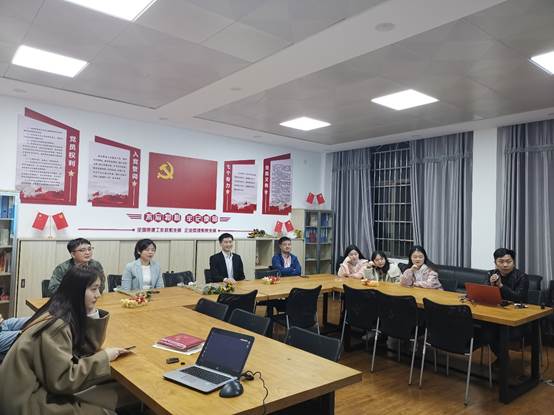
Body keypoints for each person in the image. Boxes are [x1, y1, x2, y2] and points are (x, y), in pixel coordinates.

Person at [0, 264, 133, 414]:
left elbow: (87, 348)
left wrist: (92, 313)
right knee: (107, 407)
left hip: (29, 390)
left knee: (109, 394)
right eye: (93, 289)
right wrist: (105, 357)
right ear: (77, 291)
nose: (98, 295)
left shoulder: (60, 311)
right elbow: (63, 380)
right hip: (26, 402)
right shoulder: (57, 326)